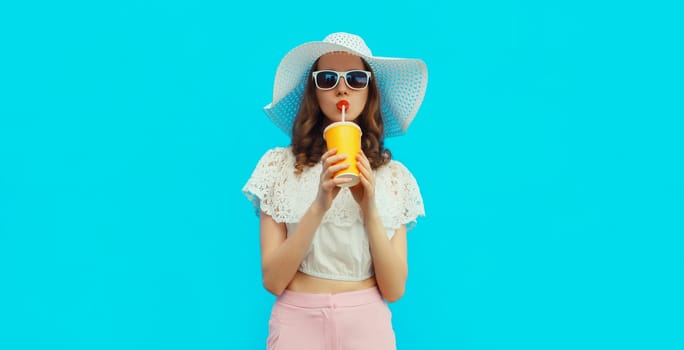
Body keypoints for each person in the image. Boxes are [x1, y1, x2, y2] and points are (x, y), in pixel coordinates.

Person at [242, 32, 427, 350]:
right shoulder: (278, 167)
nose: (342, 88)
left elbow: (394, 290)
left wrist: (369, 207)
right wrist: (319, 204)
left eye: (356, 78)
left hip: (367, 325)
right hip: (297, 323)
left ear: (370, 91)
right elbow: (273, 281)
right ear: (314, 92)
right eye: (327, 78)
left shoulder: (394, 178)